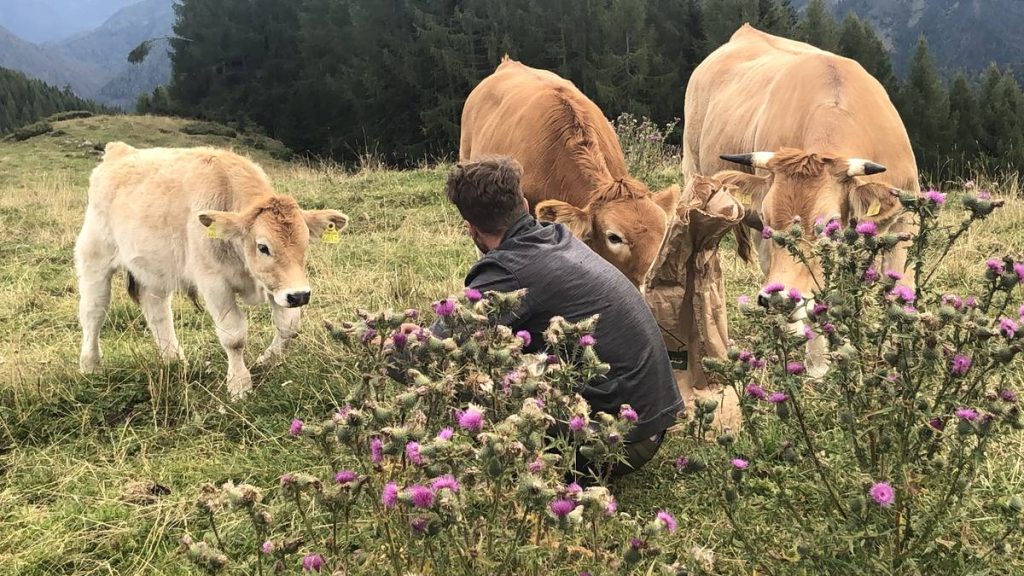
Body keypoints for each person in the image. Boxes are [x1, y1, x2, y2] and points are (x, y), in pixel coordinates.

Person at [425, 155, 683, 478]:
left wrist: (398, 343)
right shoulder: (558, 237)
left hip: (616, 444)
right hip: (652, 424)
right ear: (524, 204)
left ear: (472, 229)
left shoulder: (507, 270)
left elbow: (431, 352)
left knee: (475, 379)